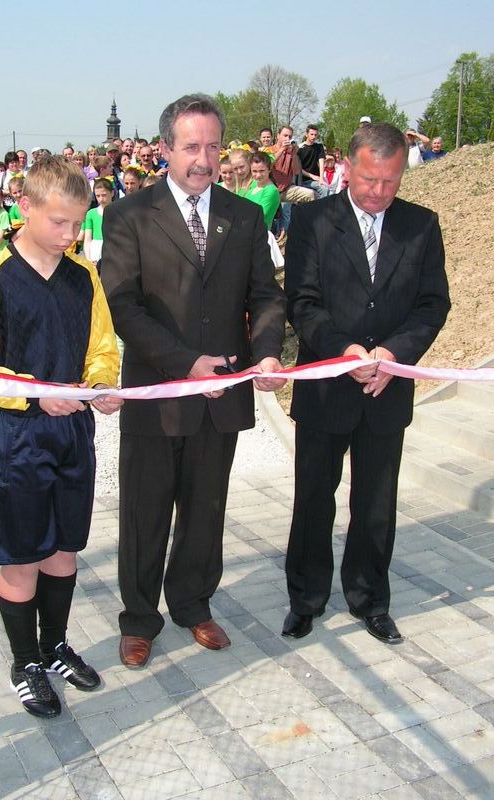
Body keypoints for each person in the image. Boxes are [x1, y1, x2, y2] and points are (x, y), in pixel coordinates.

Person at [101, 93, 286, 669]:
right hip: (157, 393)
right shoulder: (130, 214)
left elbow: (266, 296)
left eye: (212, 146)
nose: (204, 159)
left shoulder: (245, 216)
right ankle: (139, 619)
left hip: (221, 394)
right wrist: (185, 362)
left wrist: (268, 353)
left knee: (206, 510)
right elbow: (122, 306)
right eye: (190, 147)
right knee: (145, 512)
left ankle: (192, 604)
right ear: (165, 149)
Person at [0, 155, 121, 718]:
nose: (70, 234)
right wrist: (31, 393)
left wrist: (101, 384)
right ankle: (24, 663)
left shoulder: (84, 276)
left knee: (64, 551)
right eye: (59, 222)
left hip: (73, 434)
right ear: (24, 207)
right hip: (19, 439)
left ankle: (54, 647)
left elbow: (103, 346)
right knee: (23, 558)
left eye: (77, 223)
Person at [282, 123, 450, 644]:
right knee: (314, 498)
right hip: (328, 385)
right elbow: (302, 301)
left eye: (391, 181)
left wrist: (394, 354)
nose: (379, 192)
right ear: (348, 168)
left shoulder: (421, 225)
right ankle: (306, 599)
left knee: (376, 504)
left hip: (387, 387)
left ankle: (370, 599)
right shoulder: (313, 221)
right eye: (369, 179)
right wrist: (344, 352)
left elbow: (432, 304)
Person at [269, 126, 314, 240]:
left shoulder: (291, 152)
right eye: (285, 135)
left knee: (311, 195)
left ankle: (307, 230)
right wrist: (281, 150)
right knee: (270, 218)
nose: (287, 139)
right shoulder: (270, 150)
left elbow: (297, 171)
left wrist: (293, 154)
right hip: (271, 190)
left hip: (287, 189)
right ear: (278, 136)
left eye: (289, 136)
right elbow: (269, 164)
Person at [246, 151, 280, 229]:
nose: (258, 175)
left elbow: (259, 216)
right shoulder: (252, 185)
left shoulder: (271, 191)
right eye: (254, 171)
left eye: (262, 171)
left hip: (259, 233)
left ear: (269, 169)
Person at [298, 124, 328, 198]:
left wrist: (321, 179)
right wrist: (312, 176)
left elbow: (321, 163)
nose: (314, 137)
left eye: (315, 135)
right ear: (306, 134)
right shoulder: (299, 148)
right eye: (311, 134)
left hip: (316, 180)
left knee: (325, 189)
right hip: (303, 180)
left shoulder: (319, 147)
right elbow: (298, 168)